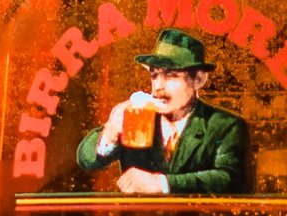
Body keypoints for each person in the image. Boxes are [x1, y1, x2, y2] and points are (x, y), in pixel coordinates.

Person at [75, 29, 249, 197]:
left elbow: (232, 180)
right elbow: (86, 160)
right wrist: (109, 133)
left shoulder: (225, 125)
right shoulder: (138, 118)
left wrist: (162, 184)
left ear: (198, 80)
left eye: (171, 75)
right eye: (154, 75)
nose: (158, 86)